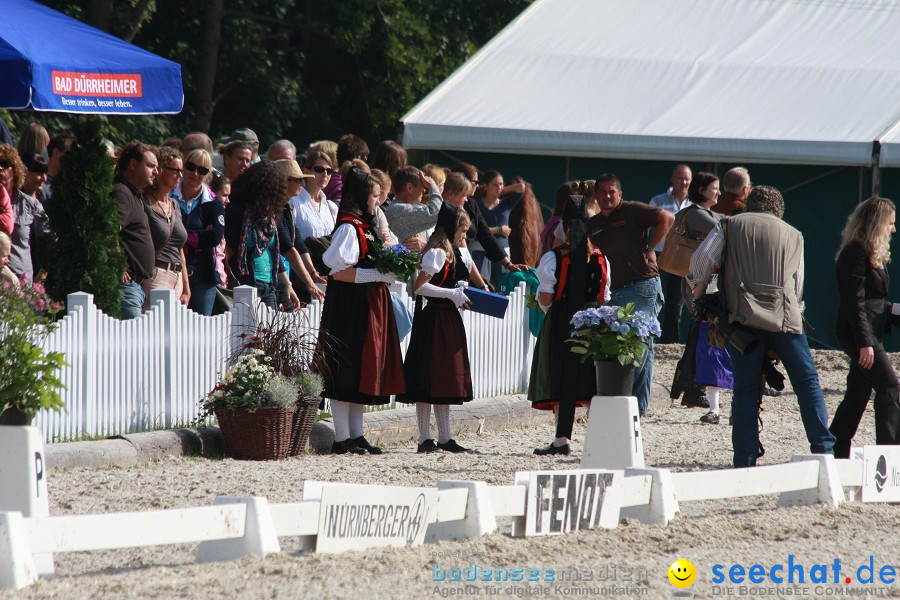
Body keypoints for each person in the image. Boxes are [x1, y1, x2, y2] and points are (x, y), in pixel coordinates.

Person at [689, 185, 835, 467]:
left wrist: (698, 292)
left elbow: (702, 259)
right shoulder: (794, 234)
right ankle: (823, 448)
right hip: (785, 319)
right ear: (779, 210)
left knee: (745, 389)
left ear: (749, 204)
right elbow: (798, 285)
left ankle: (744, 458)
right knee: (807, 383)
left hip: (743, 321)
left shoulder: (729, 225)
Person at [314, 167, 405, 455]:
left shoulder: (364, 226)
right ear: (362, 195)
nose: (378, 201)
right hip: (348, 308)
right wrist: (378, 275)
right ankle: (342, 438)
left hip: (364, 306)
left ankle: (355, 435)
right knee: (345, 370)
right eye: (375, 196)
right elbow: (338, 273)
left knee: (358, 370)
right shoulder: (348, 227)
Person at [530, 195, 611, 455]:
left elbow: (545, 296)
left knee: (561, 377)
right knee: (591, 379)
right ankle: (597, 440)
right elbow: (605, 297)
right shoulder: (601, 258)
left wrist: (550, 312)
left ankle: (562, 439)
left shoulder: (554, 258)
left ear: (565, 227)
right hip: (593, 321)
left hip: (563, 321)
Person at [588, 174, 673, 417]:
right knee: (638, 345)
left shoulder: (633, 210)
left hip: (641, 285)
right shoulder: (594, 223)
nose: (607, 196)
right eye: (602, 192)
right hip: (614, 290)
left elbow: (667, 218)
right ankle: (635, 405)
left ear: (620, 194)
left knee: (636, 344)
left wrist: (650, 248)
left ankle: (632, 405)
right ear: (595, 196)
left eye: (611, 191)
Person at [397, 206, 476, 453]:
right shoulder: (437, 253)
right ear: (451, 229)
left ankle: (445, 437)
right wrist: (450, 293)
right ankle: (424, 438)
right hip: (433, 319)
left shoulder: (453, 254)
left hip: (447, 318)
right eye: (461, 231)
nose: (463, 237)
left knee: (443, 380)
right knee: (426, 379)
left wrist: (458, 289)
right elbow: (420, 287)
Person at [829, 196, 900, 457]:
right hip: (860, 333)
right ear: (877, 223)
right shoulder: (855, 254)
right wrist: (865, 342)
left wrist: (893, 310)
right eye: (891, 223)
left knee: (858, 392)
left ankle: (833, 448)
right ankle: (891, 454)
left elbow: (874, 300)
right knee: (890, 386)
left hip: (869, 330)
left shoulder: (868, 253)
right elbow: (854, 303)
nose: (894, 229)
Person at [676, 172, 731, 424]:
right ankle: (696, 390)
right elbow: (722, 235)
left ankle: (694, 389)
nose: (718, 193)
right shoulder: (700, 215)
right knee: (706, 340)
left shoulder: (712, 216)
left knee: (702, 340)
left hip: (707, 285)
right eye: (715, 188)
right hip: (703, 285)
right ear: (701, 190)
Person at [224, 161, 301, 310]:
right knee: (248, 332)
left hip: (269, 285)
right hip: (246, 284)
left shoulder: (269, 217)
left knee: (268, 332)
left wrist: (287, 285)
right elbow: (229, 250)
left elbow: (274, 253)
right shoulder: (238, 211)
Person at [450, 163, 527, 284]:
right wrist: (481, 284)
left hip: (466, 263)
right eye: (475, 181)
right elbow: (462, 247)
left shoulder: (471, 205)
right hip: (452, 263)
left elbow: (485, 235)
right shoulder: (452, 207)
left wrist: (507, 264)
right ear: (462, 181)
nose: (478, 185)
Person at [172, 149, 224, 316]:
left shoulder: (213, 204)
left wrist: (180, 235)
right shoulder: (167, 197)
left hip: (204, 274)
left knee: (201, 329)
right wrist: (200, 234)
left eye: (202, 170)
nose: (195, 173)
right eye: (191, 167)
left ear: (207, 174)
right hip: (172, 270)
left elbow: (215, 236)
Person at [113, 141, 158, 319]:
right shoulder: (122, 193)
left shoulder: (133, 193)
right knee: (132, 343)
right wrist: (118, 264)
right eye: (150, 166)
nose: (156, 172)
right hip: (126, 287)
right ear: (133, 164)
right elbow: (109, 230)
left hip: (136, 286)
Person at [141, 147, 190, 309]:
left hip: (177, 278)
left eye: (181, 170)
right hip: (156, 274)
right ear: (160, 170)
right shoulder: (145, 202)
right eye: (175, 170)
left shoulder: (174, 205)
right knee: (155, 330)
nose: (180, 175)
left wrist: (187, 289)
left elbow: (180, 250)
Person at [272, 158, 325, 305]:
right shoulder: (274, 210)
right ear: (283, 182)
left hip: (286, 275)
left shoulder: (287, 208)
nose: (302, 184)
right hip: (275, 277)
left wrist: (314, 275)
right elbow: (289, 249)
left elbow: (299, 244)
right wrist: (309, 283)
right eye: (297, 180)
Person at [650, 164, 693, 344]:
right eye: (680, 178)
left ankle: (670, 344)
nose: (683, 182)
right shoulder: (658, 201)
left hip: (682, 259)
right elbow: (648, 225)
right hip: (660, 256)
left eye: (687, 179)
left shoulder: (694, 204)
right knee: (655, 299)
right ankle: (650, 338)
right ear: (673, 179)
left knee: (677, 304)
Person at [1, 146, 49, 285]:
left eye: (5, 165)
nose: (0, 169)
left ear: (16, 170)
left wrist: (42, 274)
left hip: (21, 285)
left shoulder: (31, 205)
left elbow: (50, 242)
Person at [472, 170, 523, 287]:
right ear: (486, 186)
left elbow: (521, 187)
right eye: (495, 185)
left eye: (501, 184)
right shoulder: (475, 204)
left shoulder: (506, 203)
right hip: (479, 252)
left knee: (502, 285)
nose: (499, 187)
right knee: (479, 286)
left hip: (502, 254)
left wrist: (500, 191)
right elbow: (474, 230)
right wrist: (499, 230)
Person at [382, 166, 443, 253]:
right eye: (423, 186)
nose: (425, 190)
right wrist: (432, 186)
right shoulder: (398, 210)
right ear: (409, 188)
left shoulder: (403, 208)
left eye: (426, 188)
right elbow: (435, 213)